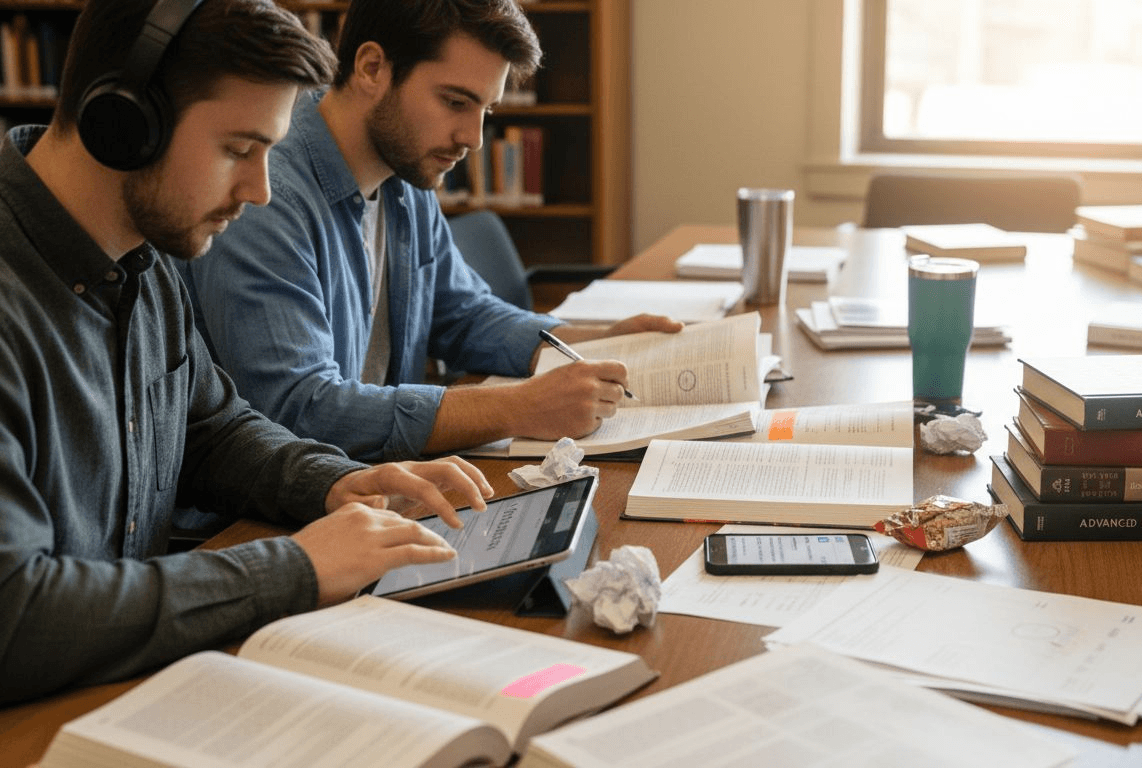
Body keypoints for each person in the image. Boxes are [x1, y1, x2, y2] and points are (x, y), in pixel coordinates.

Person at [0, 0, 496, 706]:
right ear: (123, 122)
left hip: (125, 686)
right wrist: (294, 567)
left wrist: (331, 483)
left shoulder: (143, 259)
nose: (260, 191)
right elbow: (16, 615)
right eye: (238, 149)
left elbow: (212, 429)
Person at [176, 0, 683, 463]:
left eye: (486, 110)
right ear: (372, 68)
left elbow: (462, 314)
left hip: (377, 483)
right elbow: (299, 409)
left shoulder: (406, 170)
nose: (473, 139)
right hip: (268, 518)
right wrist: (514, 408)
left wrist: (587, 343)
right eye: (455, 102)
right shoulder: (267, 194)